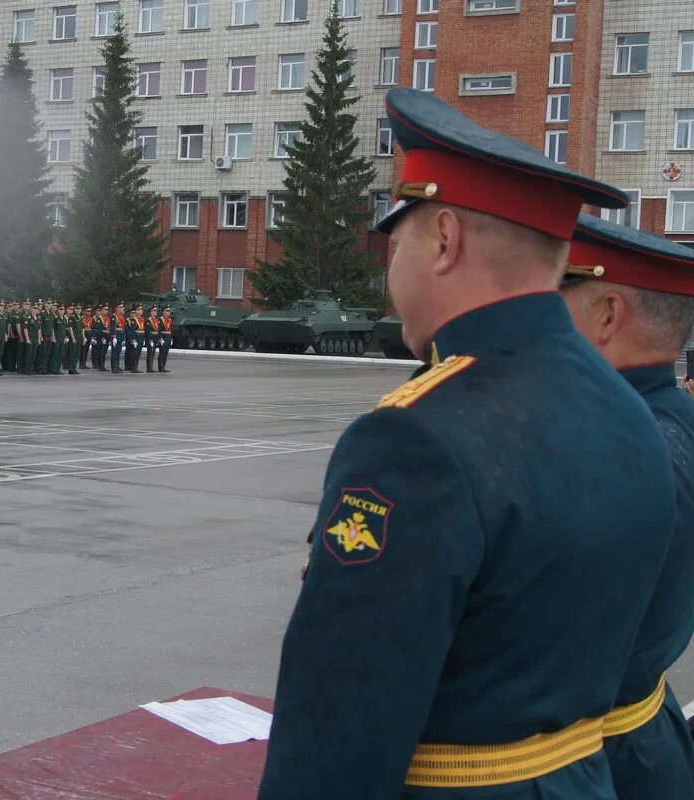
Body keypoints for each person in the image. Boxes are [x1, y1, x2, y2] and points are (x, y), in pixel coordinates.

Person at [258, 88, 677, 799]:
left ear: (444, 239)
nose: (392, 273)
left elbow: (340, 726)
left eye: (397, 244)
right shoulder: (628, 406)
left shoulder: (412, 439)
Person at [559, 214, 694, 800]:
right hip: (643, 737)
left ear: (609, 315)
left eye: (554, 298)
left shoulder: (620, 446)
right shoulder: (671, 419)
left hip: (592, 760)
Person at [157, 306, 174, 373]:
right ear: (164, 311)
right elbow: (159, 330)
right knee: (162, 353)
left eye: (169, 311)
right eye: (167, 310)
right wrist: (160, 338)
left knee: (166, 353)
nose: (169, 312)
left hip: (168, 337)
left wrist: (171, 338)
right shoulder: (161, 319)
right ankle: (160, 367)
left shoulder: (170, 320)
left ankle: (163, 366)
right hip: (163, 337)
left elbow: (171, 330)